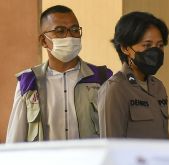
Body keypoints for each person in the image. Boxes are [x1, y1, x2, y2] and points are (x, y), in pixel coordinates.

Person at [6, 5, 112, 143]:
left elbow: (114, 133)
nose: (70, 36)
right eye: (60, 31)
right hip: (45, 164)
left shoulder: (101, 78)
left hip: (89, 162)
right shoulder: (29, 81)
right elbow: (16, 139)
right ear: (43, 41)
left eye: (74, 30)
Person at [99, 11, 169, 139]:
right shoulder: (115, 89)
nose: (155, 51)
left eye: (160, 45)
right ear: (125, 48)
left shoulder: (158, 87)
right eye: (147, 45)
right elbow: (111, 145)